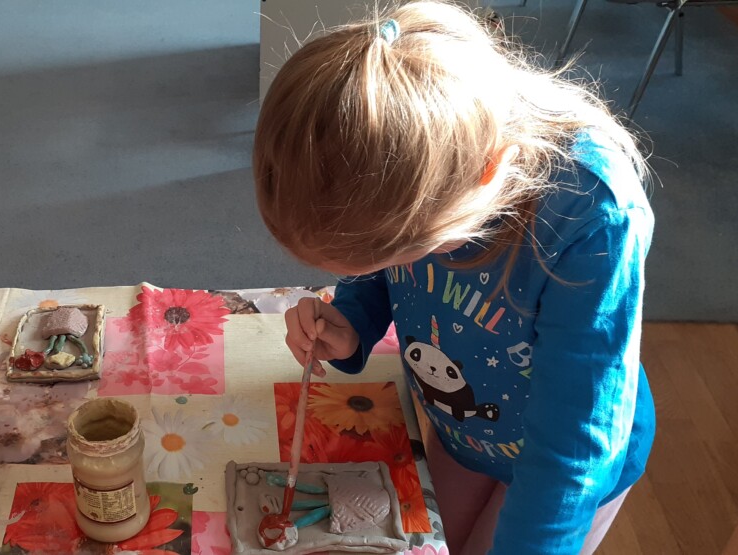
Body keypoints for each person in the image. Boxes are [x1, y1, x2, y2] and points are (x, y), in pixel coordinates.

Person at [255, 3, 654, 554]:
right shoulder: (434, 179)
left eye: (403, 251)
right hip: (462, 430)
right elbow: (381, 259)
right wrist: (354, 318)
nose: (382, 267)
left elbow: (573, 449)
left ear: (484, 175)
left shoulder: (591, 217)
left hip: (564, 467)